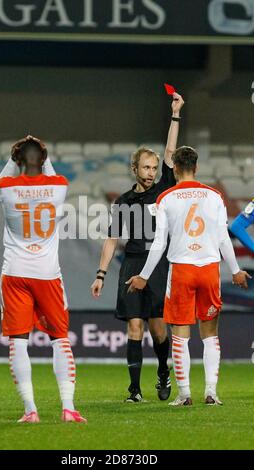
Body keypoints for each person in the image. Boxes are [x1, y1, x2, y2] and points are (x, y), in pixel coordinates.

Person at [126, 146, 251, 406]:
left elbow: (159, 243)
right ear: (196, 168)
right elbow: (222, 238)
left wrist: (144, 276)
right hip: (208, 269)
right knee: (210, 334)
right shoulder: (214, 196)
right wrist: (236, 270)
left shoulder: (166, 198)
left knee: (180, 335)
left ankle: (184, 394)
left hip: (181, 270)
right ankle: (211, 393)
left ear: (174, 168)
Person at [91, 93, 185, 402]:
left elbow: (171, 150)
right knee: (134, 327)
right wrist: (101, 274)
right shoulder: (124, 201)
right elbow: (111, 239)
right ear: (135, 169)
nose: (151, 172)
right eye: (146, 167)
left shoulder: (163, 190)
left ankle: (162, 370)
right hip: (132, 263)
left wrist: (175, 115)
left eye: (154, 167)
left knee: (158, 330)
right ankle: (134, 390)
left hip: (158, 265)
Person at [0, 135, 86, 424]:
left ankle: (30, 409)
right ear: (43, 160)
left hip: (15, 272)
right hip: (47, 274)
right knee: (60, 338)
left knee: (18, 341)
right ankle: (68, 407)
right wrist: (43, 153)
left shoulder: (6, 188)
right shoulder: (58, 186)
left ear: (18, 160)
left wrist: (13, 158)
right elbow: (52, 172)